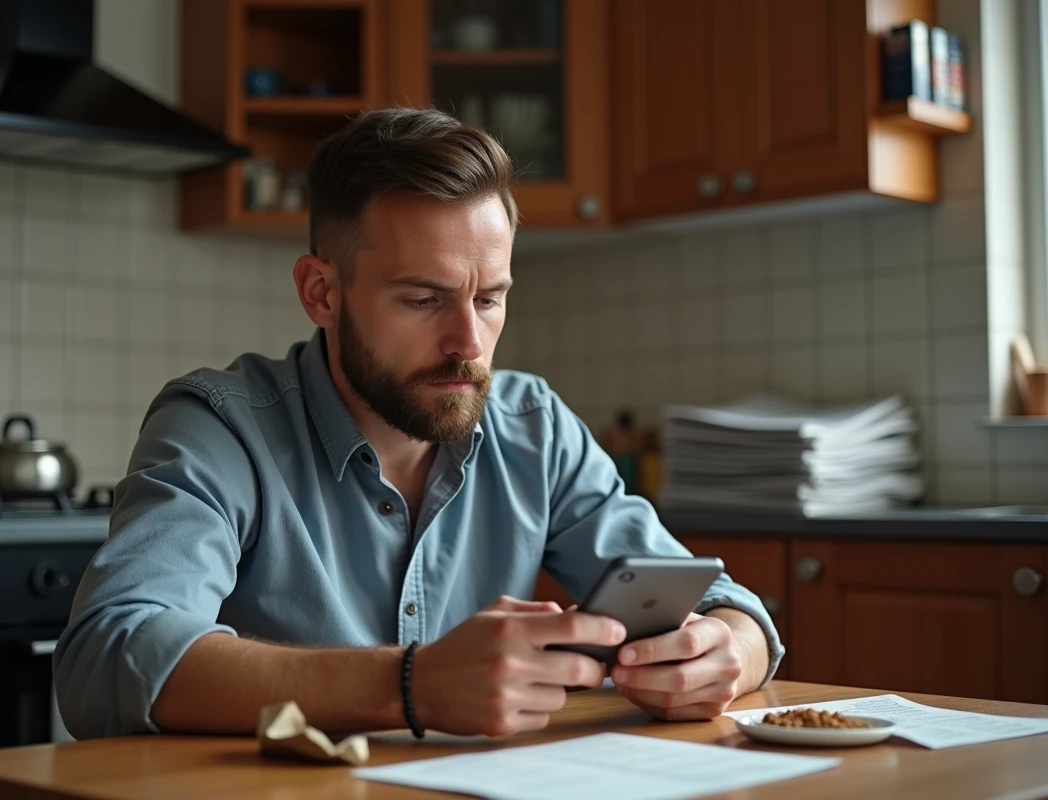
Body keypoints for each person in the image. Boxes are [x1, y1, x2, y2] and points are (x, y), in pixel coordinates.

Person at [53, 107, 784, 740]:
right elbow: (109, 656)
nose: (468, 342)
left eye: (489, 299)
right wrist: (412, 685)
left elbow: (724, 606)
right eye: (423, 300)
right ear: (321, 292)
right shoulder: (218, 428)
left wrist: (726, 653)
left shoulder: (535, 428)